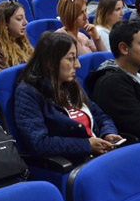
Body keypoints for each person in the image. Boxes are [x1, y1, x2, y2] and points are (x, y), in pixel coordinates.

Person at [15, 32, 121, 162]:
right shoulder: (29, 92)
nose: (78, 65)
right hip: (75, 162)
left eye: (76, 58)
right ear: (50, 62)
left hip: (99, 155)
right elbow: (39, 143)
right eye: (71, 59)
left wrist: (108, 133)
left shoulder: (70, 84)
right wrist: (87, 145)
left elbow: (101, 116)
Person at [0, 0, 34, 75]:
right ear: (5, 23)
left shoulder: (20, 38)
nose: (26, 22)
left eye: (24, 17)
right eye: (19, 19)